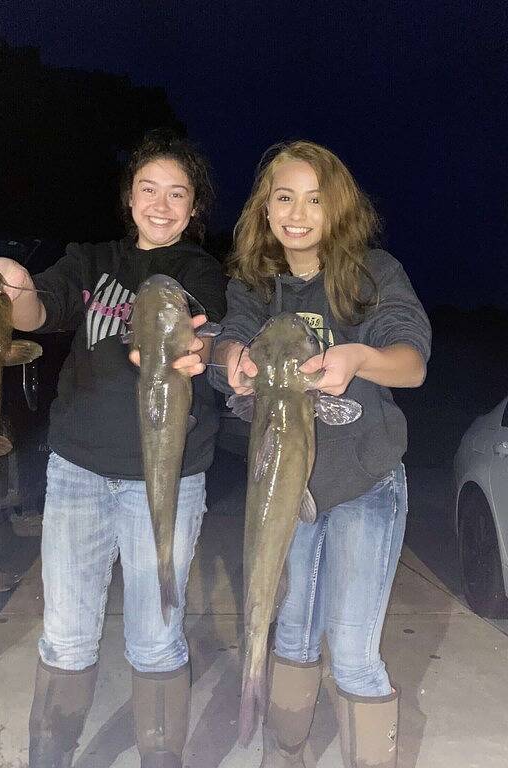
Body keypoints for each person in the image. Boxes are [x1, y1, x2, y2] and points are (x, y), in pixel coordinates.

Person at [0, 131, 226, 768]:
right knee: (66, 637)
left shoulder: (200, 270)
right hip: (78, 473)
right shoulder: (90, 261)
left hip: (168, 477)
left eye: (177, 194)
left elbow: (203, 328)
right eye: (149, 189)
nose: (161, 205)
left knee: (156, 637)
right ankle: (50, 756)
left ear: (194, 207)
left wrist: (191, 349)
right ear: (129, 197)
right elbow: (39, 311)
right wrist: (13, 285)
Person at [209, 141, 431, 768]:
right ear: (265, 208)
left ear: (339, 209)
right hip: (285, 489)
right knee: (293, 637)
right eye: (284, 198)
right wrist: (233, 359)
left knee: (354, 651)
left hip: (365, 482)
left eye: (315, 199)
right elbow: (227, 346)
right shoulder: (255, 283)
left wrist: (359, 358)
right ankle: (283, 754)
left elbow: (411, 363)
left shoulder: (373, 273)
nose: (298, 214)